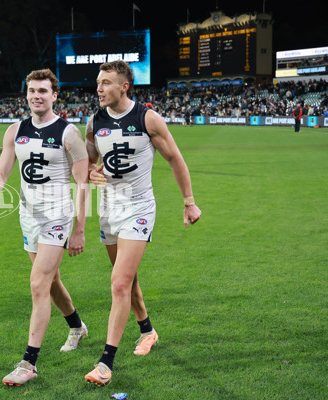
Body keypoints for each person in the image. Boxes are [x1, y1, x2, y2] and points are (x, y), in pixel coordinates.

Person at [83, 61, 202, 386]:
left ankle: (106, 363)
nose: (99, 88)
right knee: (128, 279)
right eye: (98, 83)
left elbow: (175, 158)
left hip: (139, 208)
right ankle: (147, 330)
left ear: (124, 86)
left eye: (106, 82)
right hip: (108, 210)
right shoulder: (94, 121)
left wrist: (189, 202)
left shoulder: (147, 118)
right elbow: (92, 162)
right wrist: (93, 173)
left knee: (119, 282)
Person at [0, 68, 90, 387]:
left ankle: (28, 363)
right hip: (28, 218)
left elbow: (83, 183)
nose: (37, 96)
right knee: (50, 283)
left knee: (38, 283)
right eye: (32, 90)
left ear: (55, 94)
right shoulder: (15, 130)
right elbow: (1, 173)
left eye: (43, 90)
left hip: (57, 218)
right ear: (27, 94)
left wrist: (79, 229)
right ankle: (77, 326)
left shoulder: (69, 133)